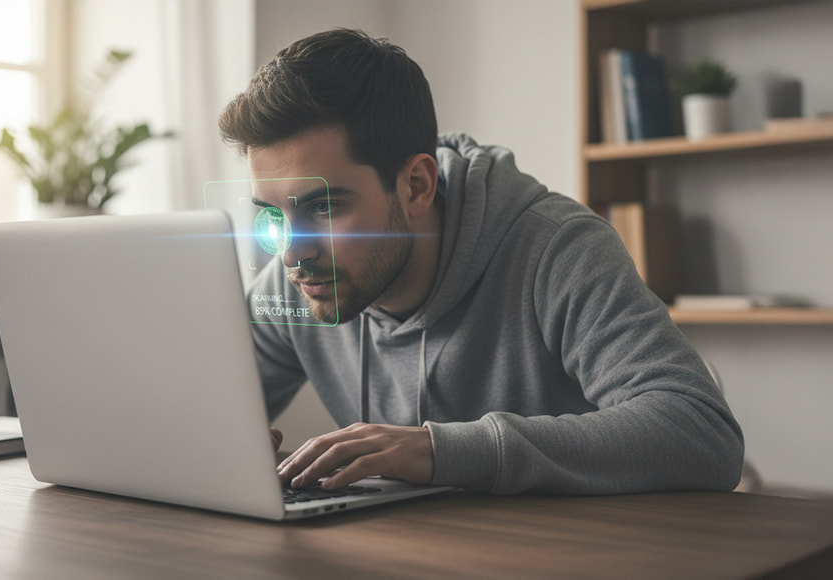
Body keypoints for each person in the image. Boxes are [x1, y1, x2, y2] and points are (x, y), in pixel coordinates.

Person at [218, 29, 744, 495]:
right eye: (273, 215)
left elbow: (701, 432)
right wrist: (214, 438)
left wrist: (441, 450)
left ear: (416, 186)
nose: (292, 252)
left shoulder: (556, 250)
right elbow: (204, 406)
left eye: (324, 208)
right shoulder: (296, 282)